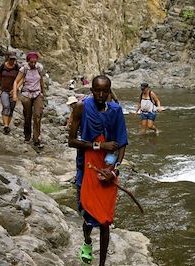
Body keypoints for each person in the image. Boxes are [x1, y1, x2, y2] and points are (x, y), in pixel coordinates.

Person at [68, 75, 128, 266]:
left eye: (105, 91)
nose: (101, 94)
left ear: (109, 91)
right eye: (97, 90)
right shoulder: (81, 107)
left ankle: (101, 264)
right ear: (91, 90)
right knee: (87, 215)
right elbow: (71, 141)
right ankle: (86, 240)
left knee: (105, 220)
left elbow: (122, 143)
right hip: (86, 167)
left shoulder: (116, 111)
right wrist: (99, 146)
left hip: (108, 170)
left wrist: (115, 170)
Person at [12, 51, 45, 148]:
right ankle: (27, 136)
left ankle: (36, 138)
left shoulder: (39, 68)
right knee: (27, 115)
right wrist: (15, 94)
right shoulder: (24, 69)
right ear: (28, 61)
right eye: (31, 62)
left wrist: (43, 93)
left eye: (35, 62)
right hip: (26, 94)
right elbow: (16, 82)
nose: (33, 64)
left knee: (37, 115)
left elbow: (41, 80)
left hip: (37, 93)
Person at [0, 51, 19, 135]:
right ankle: (5, 125)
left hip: (13, 91)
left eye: (14, 59)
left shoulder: (17, 68)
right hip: (4, 90)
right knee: (6, 106)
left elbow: (20, 79)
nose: (12, 61)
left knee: (11, 108)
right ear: (8, 58)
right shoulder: (3, 66)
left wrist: (16, 89)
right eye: (11, 59)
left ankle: (7, 126)